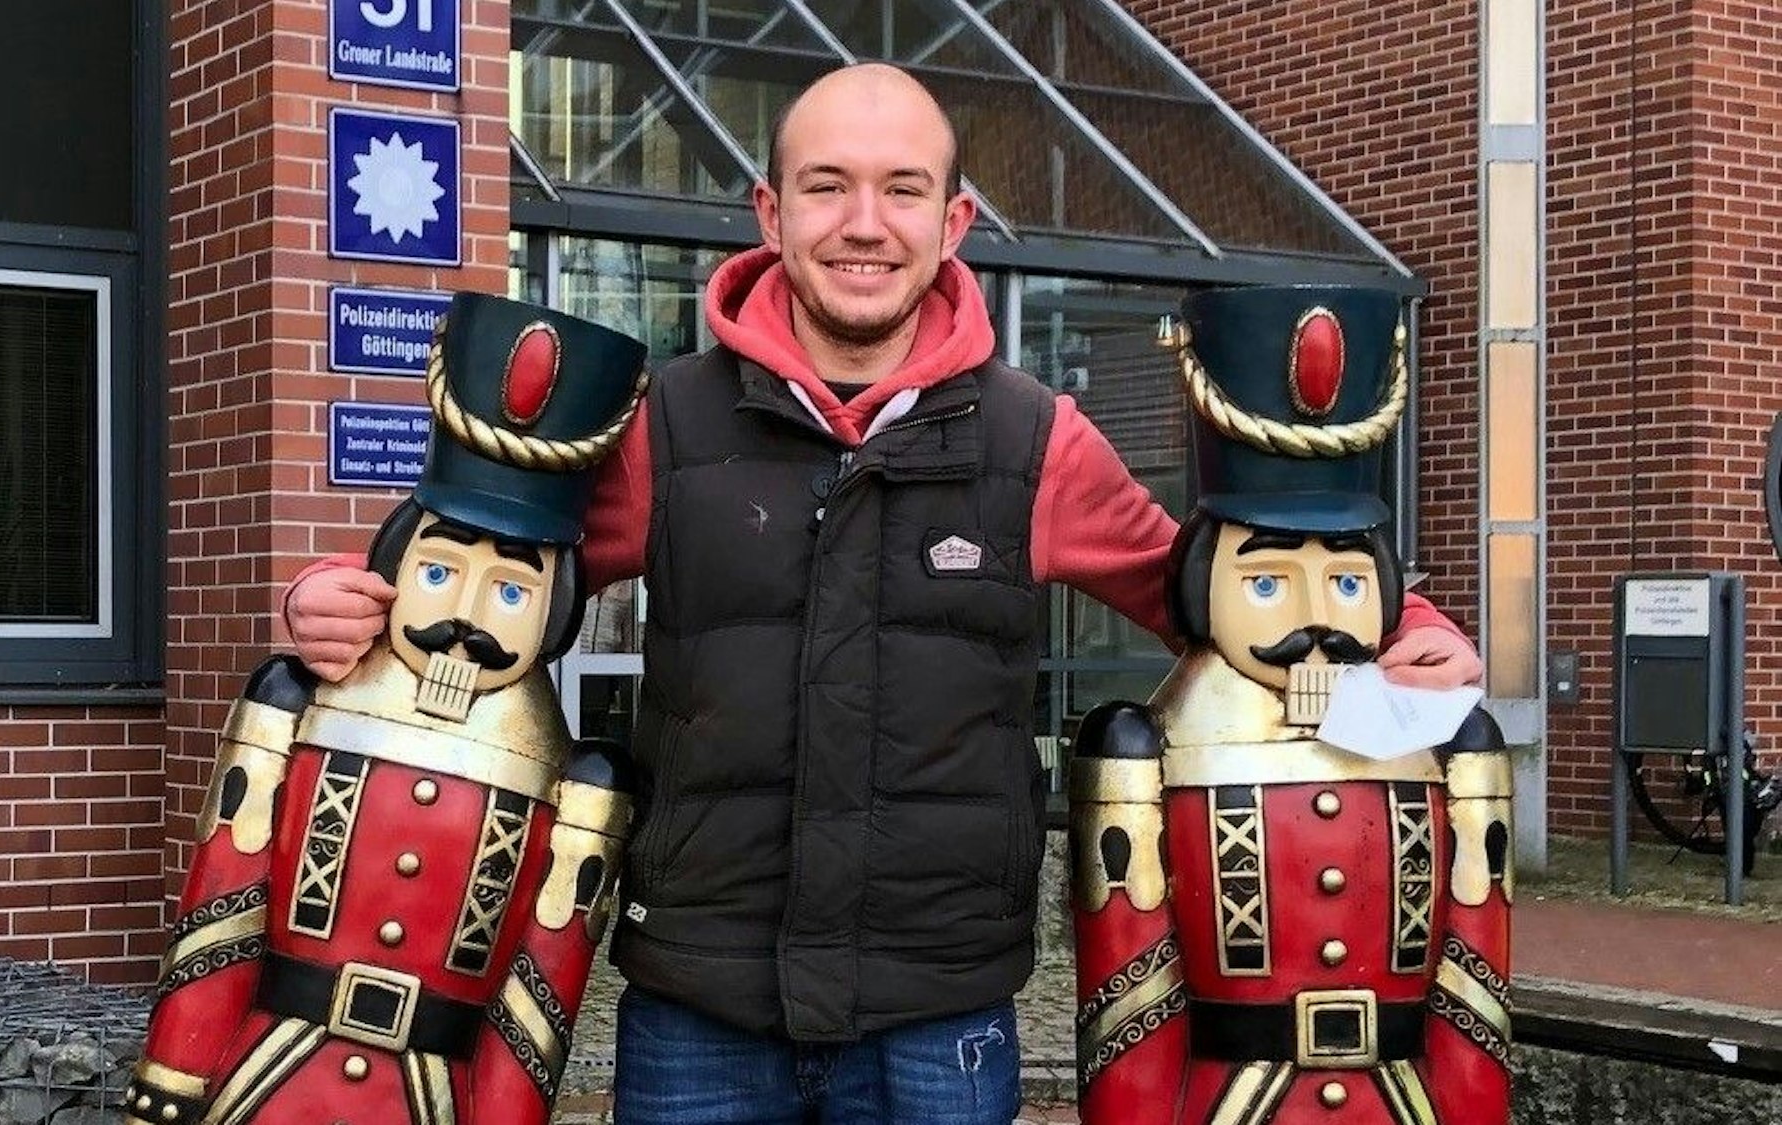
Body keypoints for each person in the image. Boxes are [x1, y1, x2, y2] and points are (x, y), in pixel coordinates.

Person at [283, 64, 1484, 1124]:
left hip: (936, 1021)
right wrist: (347, 600)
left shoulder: (1038, 443)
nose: (865, 224)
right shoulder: (667, 425)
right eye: (825, 186)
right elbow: (485, 583)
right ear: (768, 210)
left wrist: (1411, 632)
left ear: (954, 218)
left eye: (903, 189)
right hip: (699, 1012)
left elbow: (1222, 596)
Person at [125, 295, 648, 1125]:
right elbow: (224, 913)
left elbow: (535, 1000)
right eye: (438, 572)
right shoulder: (297, 702)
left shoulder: (578, 779)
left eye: (513, 589)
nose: (467, 618)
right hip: (274, 1076)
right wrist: (171, 1085)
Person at [1069, 287, 1511, 1125]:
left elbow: (1472, 976)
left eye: (1347, 580)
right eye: (1265, 580)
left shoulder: (1450, 744)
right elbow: (1133, 994)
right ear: (1203, 583)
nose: (1315, 618)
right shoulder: (1145, 748)